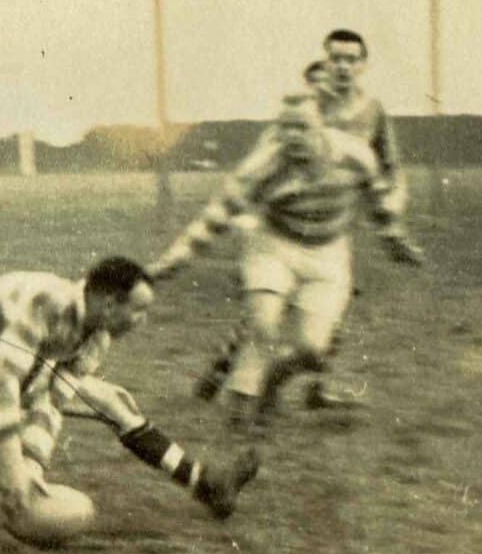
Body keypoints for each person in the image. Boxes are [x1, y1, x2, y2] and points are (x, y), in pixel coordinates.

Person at [0, 256, 257, 537]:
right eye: (138, 311)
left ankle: (207, 485)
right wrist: (11, 470)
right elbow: (0, 383)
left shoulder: (97, 336)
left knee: (114, 403)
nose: (142, 321)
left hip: (26, 368)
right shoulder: (47, 303)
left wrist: (32, 473)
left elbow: (49, 402)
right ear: (109, 304)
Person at [148, 94, 422, 430]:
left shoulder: (356, 156)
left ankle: (271, 387)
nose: (292, 136)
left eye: (301, 127)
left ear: (321, 126)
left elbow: (378, 202)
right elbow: (214, 219)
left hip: (328, 252)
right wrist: (172, 262)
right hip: (273, 245)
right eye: (285, 128)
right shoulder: (263, 166)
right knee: (263, 325)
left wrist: (396, 241)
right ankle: (239, 419)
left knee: (311, 349)